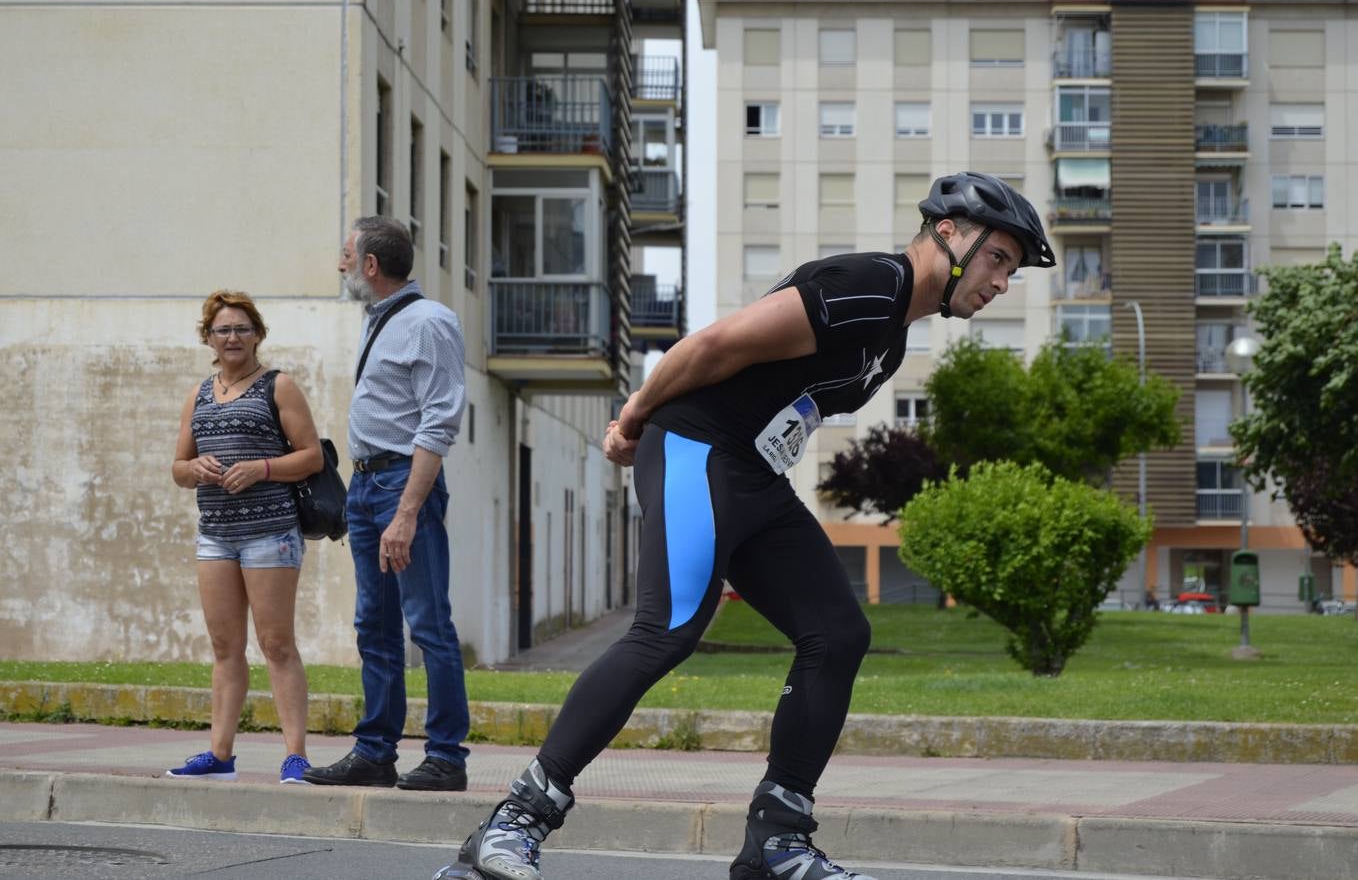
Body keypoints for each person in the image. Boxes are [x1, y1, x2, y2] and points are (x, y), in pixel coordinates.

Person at [436, 172, 1056, 880]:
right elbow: (713, 346)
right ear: (948, 234)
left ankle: (777, 840)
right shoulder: (869, 286)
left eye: (1010, 270)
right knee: (666, 631)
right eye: (997, 259)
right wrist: (634, 419)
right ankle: (514, 820)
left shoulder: (892, 335)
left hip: (753, 475)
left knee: (837, 633)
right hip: (699, 449)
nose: (1001, 282)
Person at [304, 216, 471, 792]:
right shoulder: (380, 320)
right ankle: (375, 752)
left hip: (402, 487)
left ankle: (446, 758)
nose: (341, 264)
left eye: (347, 254)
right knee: (373, 626)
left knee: (428, 624)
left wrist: (406, 512)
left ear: (371, 264)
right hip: (366, 487)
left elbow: (439, 422)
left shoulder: (429, 322)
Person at [169, 290, 324, 784]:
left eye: (241, 328)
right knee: (224, 647)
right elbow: (178, 468)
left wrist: (262, 468)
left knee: (276, 645)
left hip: (270, 533)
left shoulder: (279, 386)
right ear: (209, 338)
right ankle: (220, 755)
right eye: (223, 330)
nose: (232, 337)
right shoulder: (198, 394)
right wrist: (194, 468)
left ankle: (295, 755)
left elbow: (313, 456)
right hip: (215, 535)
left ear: (257, 334)